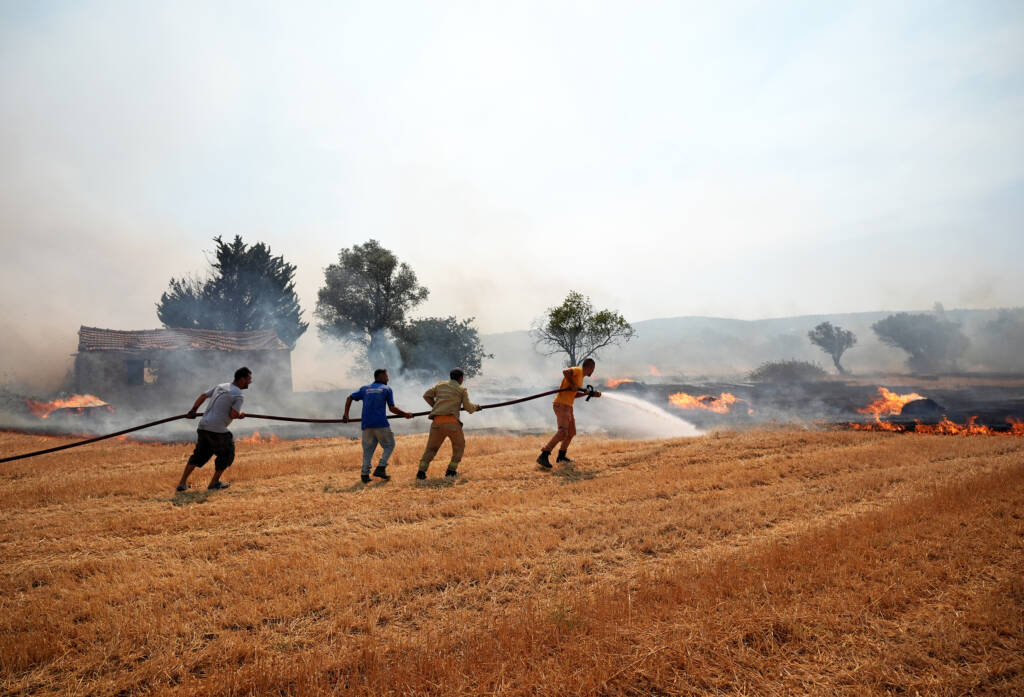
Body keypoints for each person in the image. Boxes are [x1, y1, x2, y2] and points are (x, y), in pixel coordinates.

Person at [176, 367, 253, 492]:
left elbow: (203, 395)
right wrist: (241, 414)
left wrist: (193, 410)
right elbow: (233, 414)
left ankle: (182, 483)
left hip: (203, 426)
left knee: (199, 455)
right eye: (249, 379)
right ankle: (214, 483)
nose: (250, 382)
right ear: (242, 379)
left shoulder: (221, 386)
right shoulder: (238, 394)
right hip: (217, 430)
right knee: (227, 453)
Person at [343, 368, 413, 483]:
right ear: (380, 377)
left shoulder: (365, 389)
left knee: (368, 450)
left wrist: (346, 415)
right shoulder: (387, 389)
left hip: (366, 424)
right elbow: (392, 408)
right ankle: (381, 467)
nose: (388, 378)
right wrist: (405, 414)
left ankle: (364, 475)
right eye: (386, 376)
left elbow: (349, 397)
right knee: (389, 445)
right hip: (380, 424)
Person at [416, 368, 482, 480]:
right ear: (461, 378)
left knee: (431, 449)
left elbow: (426, 395)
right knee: (459, 447)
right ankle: (451, 471)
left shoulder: (440, 385)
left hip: (437, 423)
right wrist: (477, 407)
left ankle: (421, 473)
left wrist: (436, 407)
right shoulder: (462, 389)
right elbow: (468, 408)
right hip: (452, 424)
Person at [537, 357, 601, 469]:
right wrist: (572, 384)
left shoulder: (581, 378)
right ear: (590, 367)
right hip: (561, 405)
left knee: (571, 432)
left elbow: (574, 395)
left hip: (568, 406)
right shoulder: (578, 370)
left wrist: (585, 393)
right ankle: (544, 455)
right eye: (593, 368)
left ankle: (561, 456)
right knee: (562, 432)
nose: (593, 371)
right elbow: (565, 372)